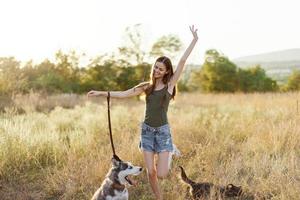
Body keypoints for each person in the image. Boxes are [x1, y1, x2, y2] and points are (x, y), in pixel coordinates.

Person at [87, 25, 198, 200]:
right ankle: (159, 198)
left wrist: (194, 40)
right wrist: (102, 93)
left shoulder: (169, 86)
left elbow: (182, 62)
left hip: (162, 132)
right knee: (151, 171)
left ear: (167, 71)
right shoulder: (147, 87)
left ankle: (169, 150)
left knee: (161, 173)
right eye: (155, 67)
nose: (157, 71)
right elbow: (124, 94)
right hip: (146, 132)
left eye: (161, 69)